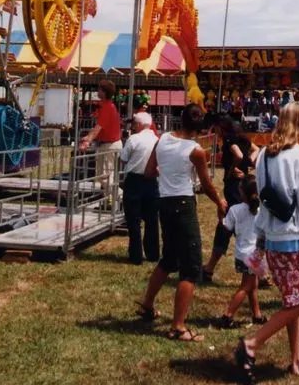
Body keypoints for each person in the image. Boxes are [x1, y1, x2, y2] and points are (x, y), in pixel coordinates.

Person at [233, 103, 299, 381]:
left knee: (291, 300)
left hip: (273, 239)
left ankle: (296, 358)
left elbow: (263, 199)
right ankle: (252, 344)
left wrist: (261, 239)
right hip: (295, 239)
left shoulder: (263, 156)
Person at [137, 103, 227, 342]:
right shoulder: (196, 151)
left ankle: (147, 304)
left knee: (169, 258)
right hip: (184, 205)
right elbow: (206, 184)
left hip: (165, 203)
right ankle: (178, 326)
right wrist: (220, 202)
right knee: (191, 266)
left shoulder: (163, 138)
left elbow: (149, 171)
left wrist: (168, 171)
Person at [203, 116, 259, 282]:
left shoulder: (229, 140)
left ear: (222, 126)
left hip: (235, 187)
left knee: (226, 228)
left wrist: (233, 168)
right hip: (246, 184)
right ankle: (259, 271)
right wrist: (250, 164)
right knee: (250, 227)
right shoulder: (244, 138)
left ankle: (209, 269)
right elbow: (256, 150)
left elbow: (239, 155)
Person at [215, 177, 266, 329]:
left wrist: (220, 215)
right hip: (255, 255)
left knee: (252, 285)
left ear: (242, 193)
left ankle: (257, 315)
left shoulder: (234, 210)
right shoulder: (262, 209)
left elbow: (226, 227)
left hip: (241, 254)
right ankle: (228, 315)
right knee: (247, 286)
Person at [120, 112, 160, 264]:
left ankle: (135, 255)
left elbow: (123, 159)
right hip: (151, 181)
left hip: (134, 180)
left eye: (134, 123)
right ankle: (153, 253)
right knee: (152, 220)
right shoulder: (157, 139)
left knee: (133, 220)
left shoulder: (133, 139)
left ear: (138, 124)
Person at [79, 80, 122, 199]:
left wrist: (88, 140)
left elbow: (98, 127)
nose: (97, 91)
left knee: (105, 176)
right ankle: (111, 201)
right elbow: (99, 128)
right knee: (104, 176)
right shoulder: (107, 106)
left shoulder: (108, 107)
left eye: (99, 89)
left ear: (104, 92)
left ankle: (121, 197)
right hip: (107, 144)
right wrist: (89, 137)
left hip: (109, 144)